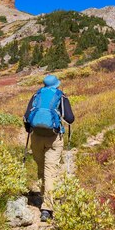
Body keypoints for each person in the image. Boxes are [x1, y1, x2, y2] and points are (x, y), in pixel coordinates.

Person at [23, 74, 75, 222]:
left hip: (36, 137)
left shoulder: (36, 95)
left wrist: (30, 130)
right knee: (50, 172)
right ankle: (47, 208)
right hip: (53, 138)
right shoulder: (61, 96)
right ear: (57, 84)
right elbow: (70, 118)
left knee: (41, 169)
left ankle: (42, 195)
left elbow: (27, 117)